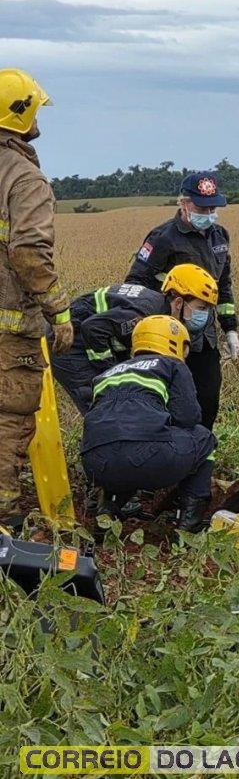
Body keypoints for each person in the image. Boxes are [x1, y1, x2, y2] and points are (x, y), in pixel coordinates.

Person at [0, 68, 73, 528]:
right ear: (21, 115)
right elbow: (28, 252)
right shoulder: (24, 179)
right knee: (7, 426)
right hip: (8, 338)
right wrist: (59, 311)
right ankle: (3, 531)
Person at [125, 171, 239, 429]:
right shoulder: (163, 238)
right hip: (170, 336)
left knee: (208, 401)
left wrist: (230, 329)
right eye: (201, 208)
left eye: (212, 208)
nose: (208, 213)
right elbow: (135, 282)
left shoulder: (220, 237)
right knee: (175, 403)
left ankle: (202, 447)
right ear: (184, 203)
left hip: (206, 337)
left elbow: (223, 286)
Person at [81, 315, 215, 533]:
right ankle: (188, 524)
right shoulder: (171, 365)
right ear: (174, 343)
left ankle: (106, 513)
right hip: (147, 457)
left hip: (95, 463)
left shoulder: (105, 374)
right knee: (205, 438)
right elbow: (188, 417)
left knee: (120, 449)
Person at [50, 263, 218, 415]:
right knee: (102, 403)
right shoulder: (144, 314)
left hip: (90, 333)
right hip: (69, 340)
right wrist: (109, 371)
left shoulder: (160, 310)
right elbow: (92, 328)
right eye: (201, 308)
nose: (204, 315)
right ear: (179, 303)